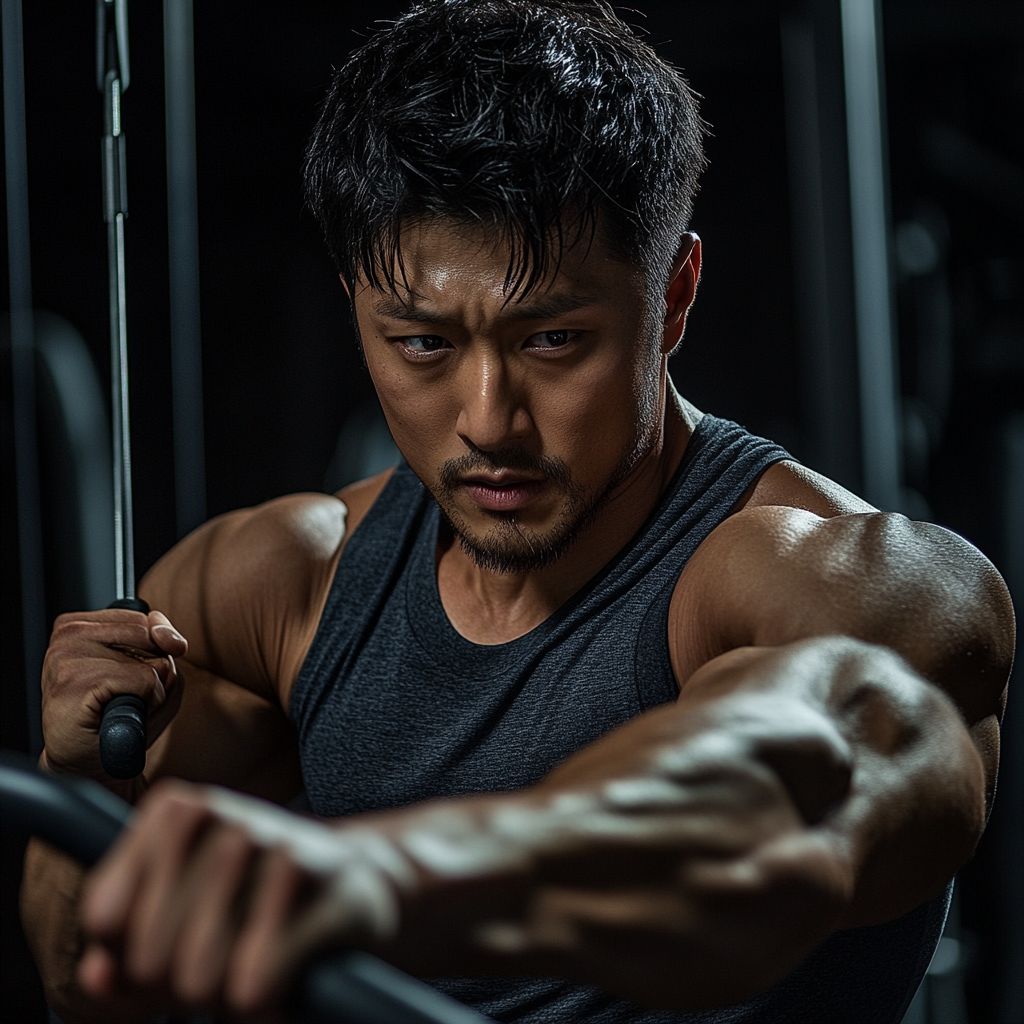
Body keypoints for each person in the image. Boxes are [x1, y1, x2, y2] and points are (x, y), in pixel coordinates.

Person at [21, 2, 1014, 1022]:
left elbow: (785, 800)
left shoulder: (821, 577)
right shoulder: (279, 588)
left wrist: (385, 878)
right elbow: (80, 986)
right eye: (421, 345)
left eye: (550, 341)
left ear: (672, 297)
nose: (487, 421)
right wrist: (83, 784)